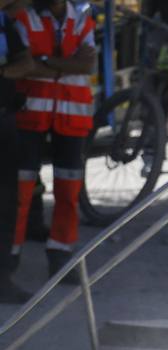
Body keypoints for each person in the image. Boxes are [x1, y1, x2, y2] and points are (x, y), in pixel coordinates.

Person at [11, 0, 95, 280]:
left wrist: (46, 63)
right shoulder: (25, 17)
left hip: (71, 118)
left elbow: (86, 64)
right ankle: (8, 262)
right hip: (30, 115)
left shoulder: (82, 18)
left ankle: (61, 257)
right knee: (18, 192)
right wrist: (64, 66)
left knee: (68, 190)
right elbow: (24, 65)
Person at [0, 0, 33, 303]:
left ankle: (3, 280)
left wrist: (5, 71)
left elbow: (26, 63)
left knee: (7, 204)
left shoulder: (3, 24)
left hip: (4, 121)